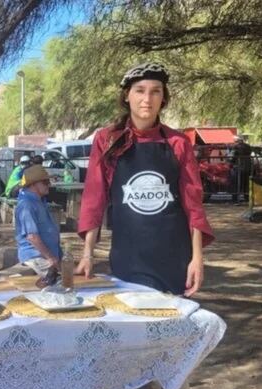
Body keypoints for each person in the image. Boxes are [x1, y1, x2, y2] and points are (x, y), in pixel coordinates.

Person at [76, 63, 214, 297]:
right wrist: (87, 254)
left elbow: (194, 205)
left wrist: (197, 259)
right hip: (128, 255)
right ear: (126, 96)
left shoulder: (178, 143)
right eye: (140, 90)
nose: (147, 99)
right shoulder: (107, 140)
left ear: (164, 98)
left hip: (173, 255)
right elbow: (94, 198)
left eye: (155, 91)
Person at [15, 165, 63, 280]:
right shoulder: (26, 205)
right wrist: (51, 257)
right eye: (45, 182)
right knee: (61, 285)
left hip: (45, 257)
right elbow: (32, 237)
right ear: (33, 184)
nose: (49, 185)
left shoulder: (39, 201)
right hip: (36, 257)